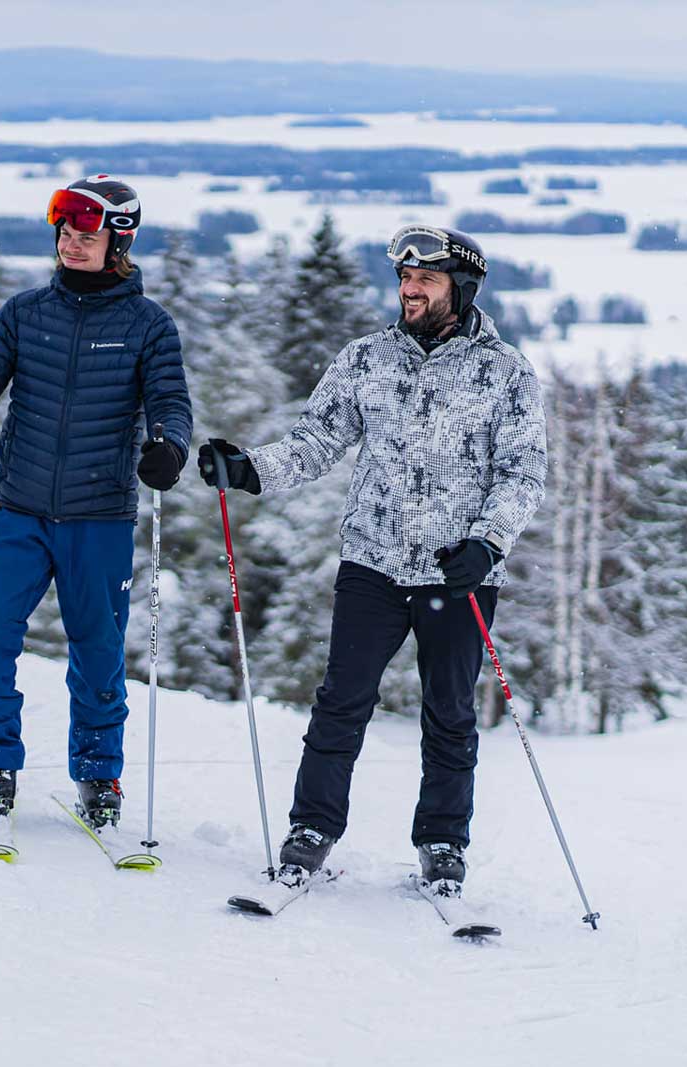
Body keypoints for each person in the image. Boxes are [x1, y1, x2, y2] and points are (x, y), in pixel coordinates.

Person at [196, 224, 545, 896]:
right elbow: (315, 442)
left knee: (449, 712)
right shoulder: (365, 359)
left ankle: (443, 841)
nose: (410, 290)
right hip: (373, 564)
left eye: (426, 280)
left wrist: (488, 542)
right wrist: (250, 470)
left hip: (457, 569)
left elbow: (524, 472)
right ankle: (311, 829)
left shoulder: (505, 372)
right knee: (341, 703)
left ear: (462, 288)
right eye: (405, 279)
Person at [0, 175, 193, 827]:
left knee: (98, 654)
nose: (70, 244)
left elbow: (170, 402)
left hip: (100, 517)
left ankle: (98, 776)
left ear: (119, 241)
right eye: (63, 232)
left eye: (85, 234)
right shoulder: (26, 313)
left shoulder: (147, 326)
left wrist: (168, 445)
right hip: (19, 510)